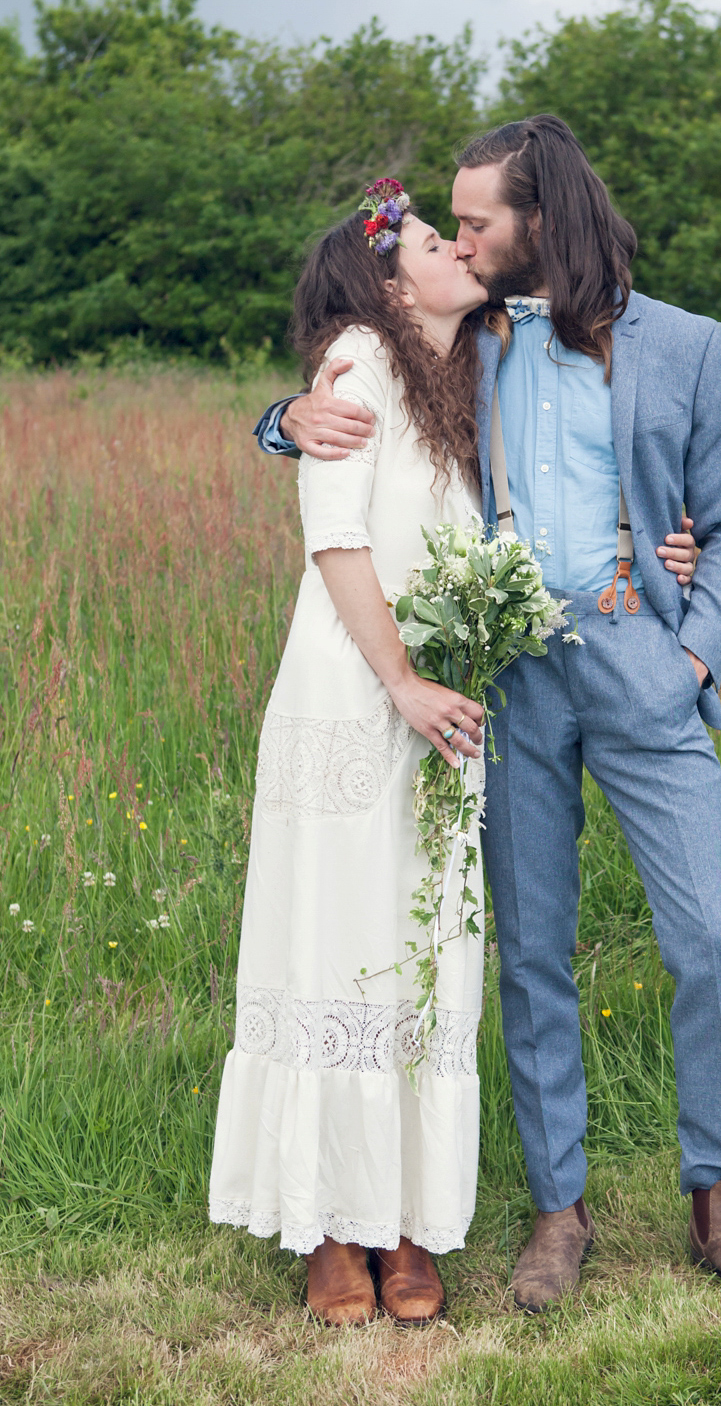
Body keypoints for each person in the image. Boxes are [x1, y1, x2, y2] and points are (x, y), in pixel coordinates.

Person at [255, 120, 721, 1315]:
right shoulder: (472, 337)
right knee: (532, 952)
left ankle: (720, 1198)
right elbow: (358, 375)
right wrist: (283, 416)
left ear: (544, 217)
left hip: (648, 670)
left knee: (709, 934)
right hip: (512, 689)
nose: (465, 238)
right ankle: (559, 1212)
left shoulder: (689, 347)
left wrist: (698, 654)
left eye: (479, 219)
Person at [209, 181, 492, 1328]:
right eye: (436, 241)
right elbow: (336, 537)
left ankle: (414, 1222)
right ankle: (331, 1226)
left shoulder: (474, 369)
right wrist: (404, 683)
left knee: (426, 937)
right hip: (356, 691)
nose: (460, 250)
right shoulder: (357, 371)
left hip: (440, 709)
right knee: (335, 936)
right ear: (387, 282)